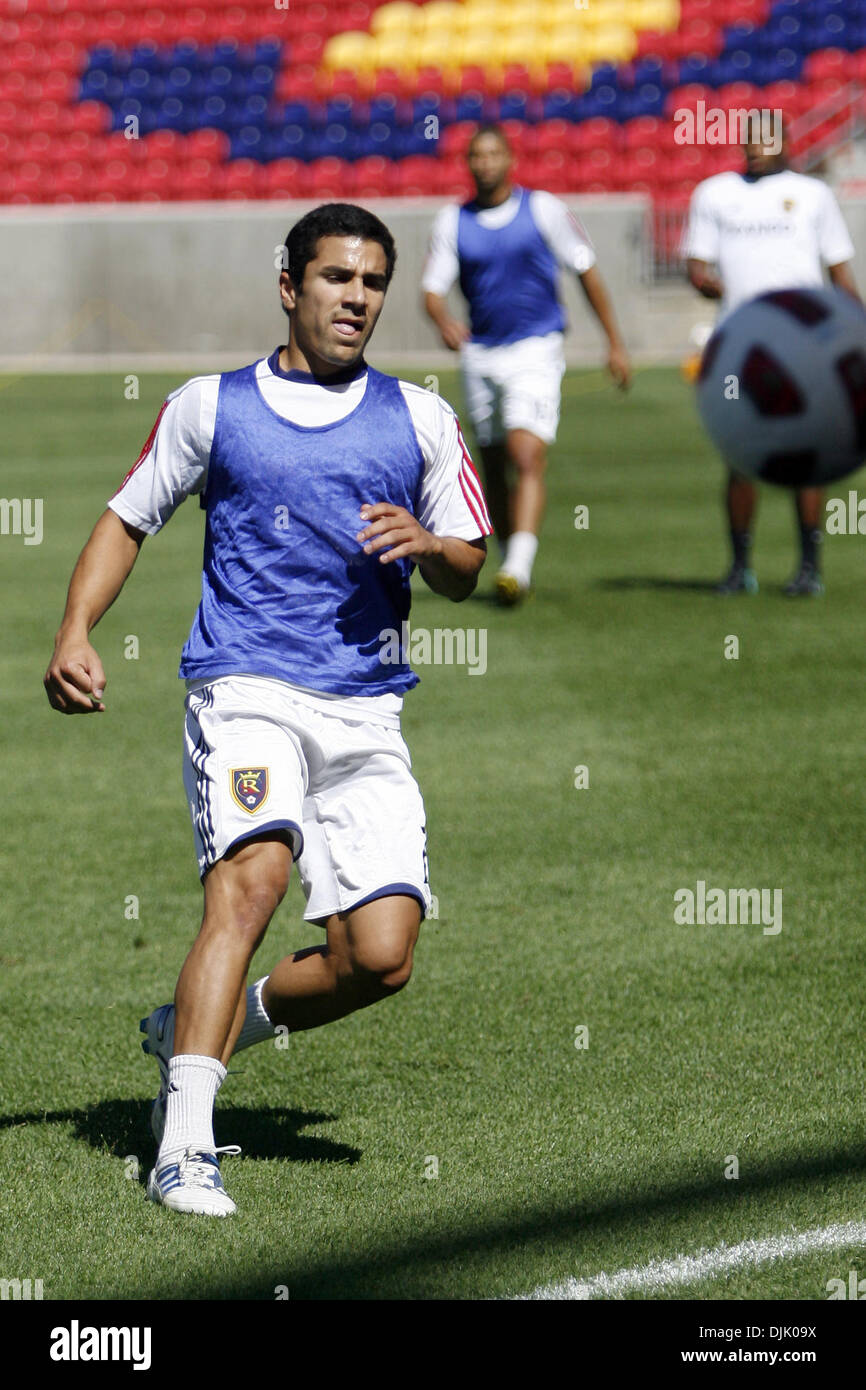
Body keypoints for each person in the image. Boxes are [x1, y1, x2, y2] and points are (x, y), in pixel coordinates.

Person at [44, 202, 492, 1217]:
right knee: (252, 881)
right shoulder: (211, 407)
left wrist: (432, 548)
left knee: (377, 958)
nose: (357, 299)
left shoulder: (421, 417)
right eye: (336, 278)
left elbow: (469, 562)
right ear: (288, 285)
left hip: (365, 710)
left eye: (373, 282)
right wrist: (75, 630)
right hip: (243, 687)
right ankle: (184, 1145)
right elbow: (127, 516)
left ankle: (208, 1025)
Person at [422, 122, 630, 606]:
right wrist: (443, 320)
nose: (485, 163)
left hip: (536, 348)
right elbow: (432, 289)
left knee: (525, 454)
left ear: (510, 159)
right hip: (481, 353)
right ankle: (508, 558)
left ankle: (519, 567)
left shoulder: (544, 209)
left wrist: (614, 342)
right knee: (491, 463)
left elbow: (586, 270)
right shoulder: (452, 220)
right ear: (468, 163)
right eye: (477, 155)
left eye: (494, 153)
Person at [684, 118, 860, 596]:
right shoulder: (715, 193)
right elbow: (695, 266)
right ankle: (741, 567)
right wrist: (708, 283)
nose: (758, 147)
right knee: (740, 456)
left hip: (806, 345)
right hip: (738, 349)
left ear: (786, 141)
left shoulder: (812, 195)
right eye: (751, 138)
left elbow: (839, 271)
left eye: (769, 137)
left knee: (808, 450)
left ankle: (809, 567)